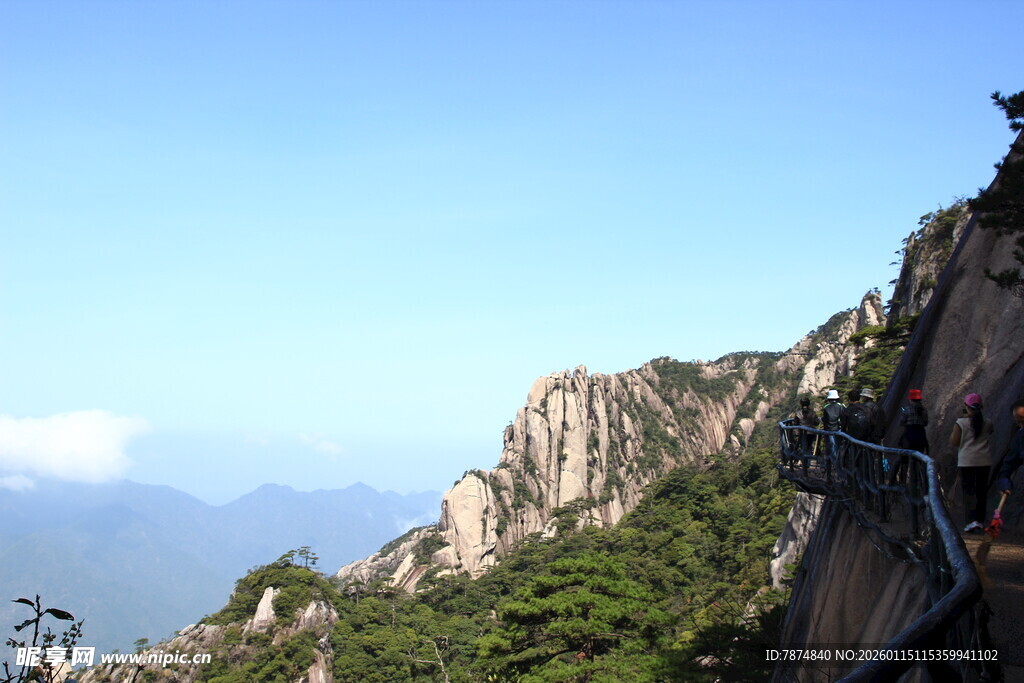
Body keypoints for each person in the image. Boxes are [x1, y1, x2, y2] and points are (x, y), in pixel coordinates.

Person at [951, 393, 995, 533]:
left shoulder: (961, 423)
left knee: (969, 492)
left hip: (966, 462)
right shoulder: (988, 422)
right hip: (984, 461)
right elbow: (990, 432)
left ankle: (971, 521)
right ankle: (980, 521)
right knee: (981, 492)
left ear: (967, 407)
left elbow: (954, 442)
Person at [994, 398, 1024, 497]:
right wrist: (1004, 482)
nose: (1022, 425)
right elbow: (1008, 465)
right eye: (1019, 422)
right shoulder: (1019, 438)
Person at [899, 389, 930, 453]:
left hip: (910, 433)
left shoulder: (907, 409)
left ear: (911, 400)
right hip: (921, 432)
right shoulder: (923, 409)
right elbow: (926, 423)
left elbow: (901, 422)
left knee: (902, 445)